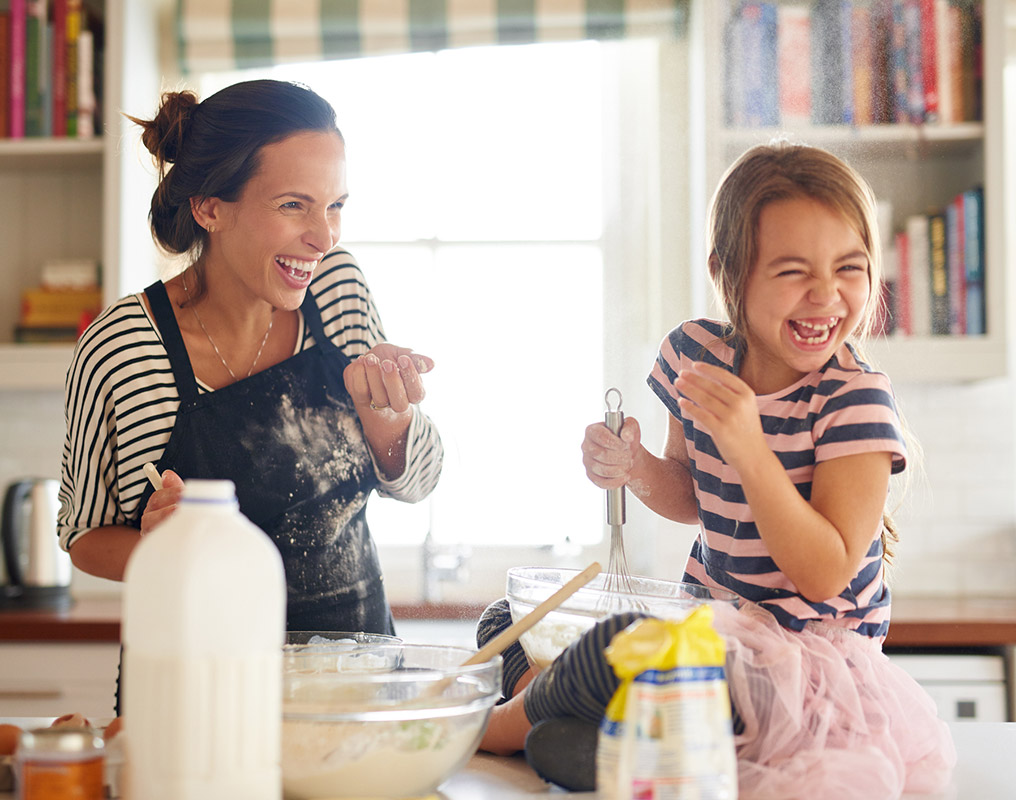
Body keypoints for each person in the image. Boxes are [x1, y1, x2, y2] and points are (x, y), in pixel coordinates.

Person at [475, 142, 955, 798]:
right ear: (727, 271)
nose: (826, 295)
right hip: (709, 640)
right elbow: (693, 496)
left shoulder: (855, 400)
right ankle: (571, 718)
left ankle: (498, 724)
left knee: (619, 643)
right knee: (509, 619)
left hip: (801, 676)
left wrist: (749, 447)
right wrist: (634, 466)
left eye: (850, 267)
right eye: (792, 271)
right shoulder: (695, 355)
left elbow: (823, 572)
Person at [58, 81, 443, 705]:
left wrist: (387, 418)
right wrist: (163, 549)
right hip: (195, 697)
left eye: (335, 204)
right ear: (210, 208)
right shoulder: (126, 347)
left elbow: (420, 480)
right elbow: (85, 536)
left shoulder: (337, 291)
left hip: (351, 691)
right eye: (294, 205)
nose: (325, 236)